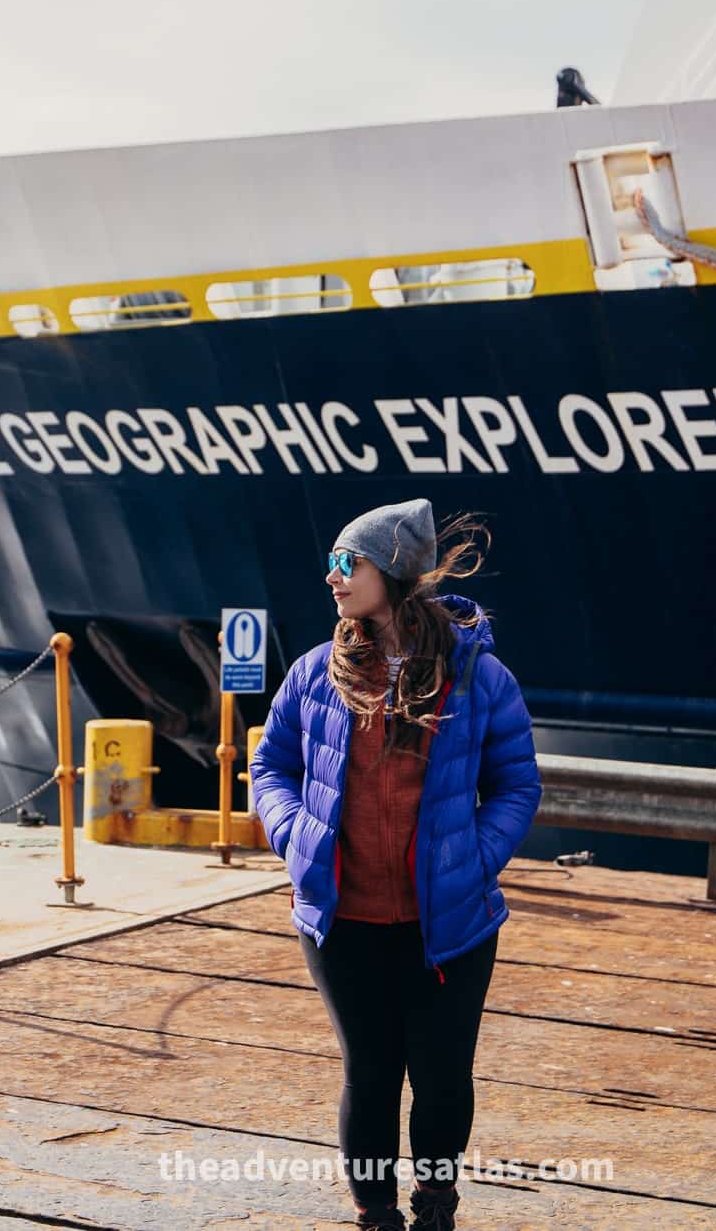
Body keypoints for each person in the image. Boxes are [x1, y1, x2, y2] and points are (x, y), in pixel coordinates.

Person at [250, 498, 542, 1231]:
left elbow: (516, 783)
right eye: (331, 565)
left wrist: (473, 860)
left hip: (448, 922)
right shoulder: (318, 673)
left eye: (348, 563)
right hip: (342, 920)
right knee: (371, 1077)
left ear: (394, 571)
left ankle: (435, 1205)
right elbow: (270, 764)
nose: (333, 578)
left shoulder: (477, 676)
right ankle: (374, 1214)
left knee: (442, 1080)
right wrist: (295, 836)